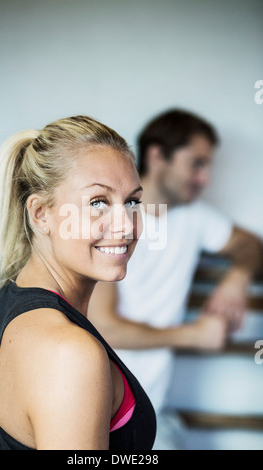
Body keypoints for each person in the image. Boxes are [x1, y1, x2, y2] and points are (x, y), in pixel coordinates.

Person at [0, 115, 157, 450]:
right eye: (98, 202)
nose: (126, 226)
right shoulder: (70, 353)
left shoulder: (0, 306)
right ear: (41, 214)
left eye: (132, 201)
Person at [87, 109, 263, 450]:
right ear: (157, 156)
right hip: (102, 416)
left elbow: (250, 244)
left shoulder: (194, 218)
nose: (205, 178)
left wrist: (236, 279)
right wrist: (194, 335)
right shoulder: (115, 223)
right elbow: (104, 327)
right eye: (196, 164)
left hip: (152, 411)